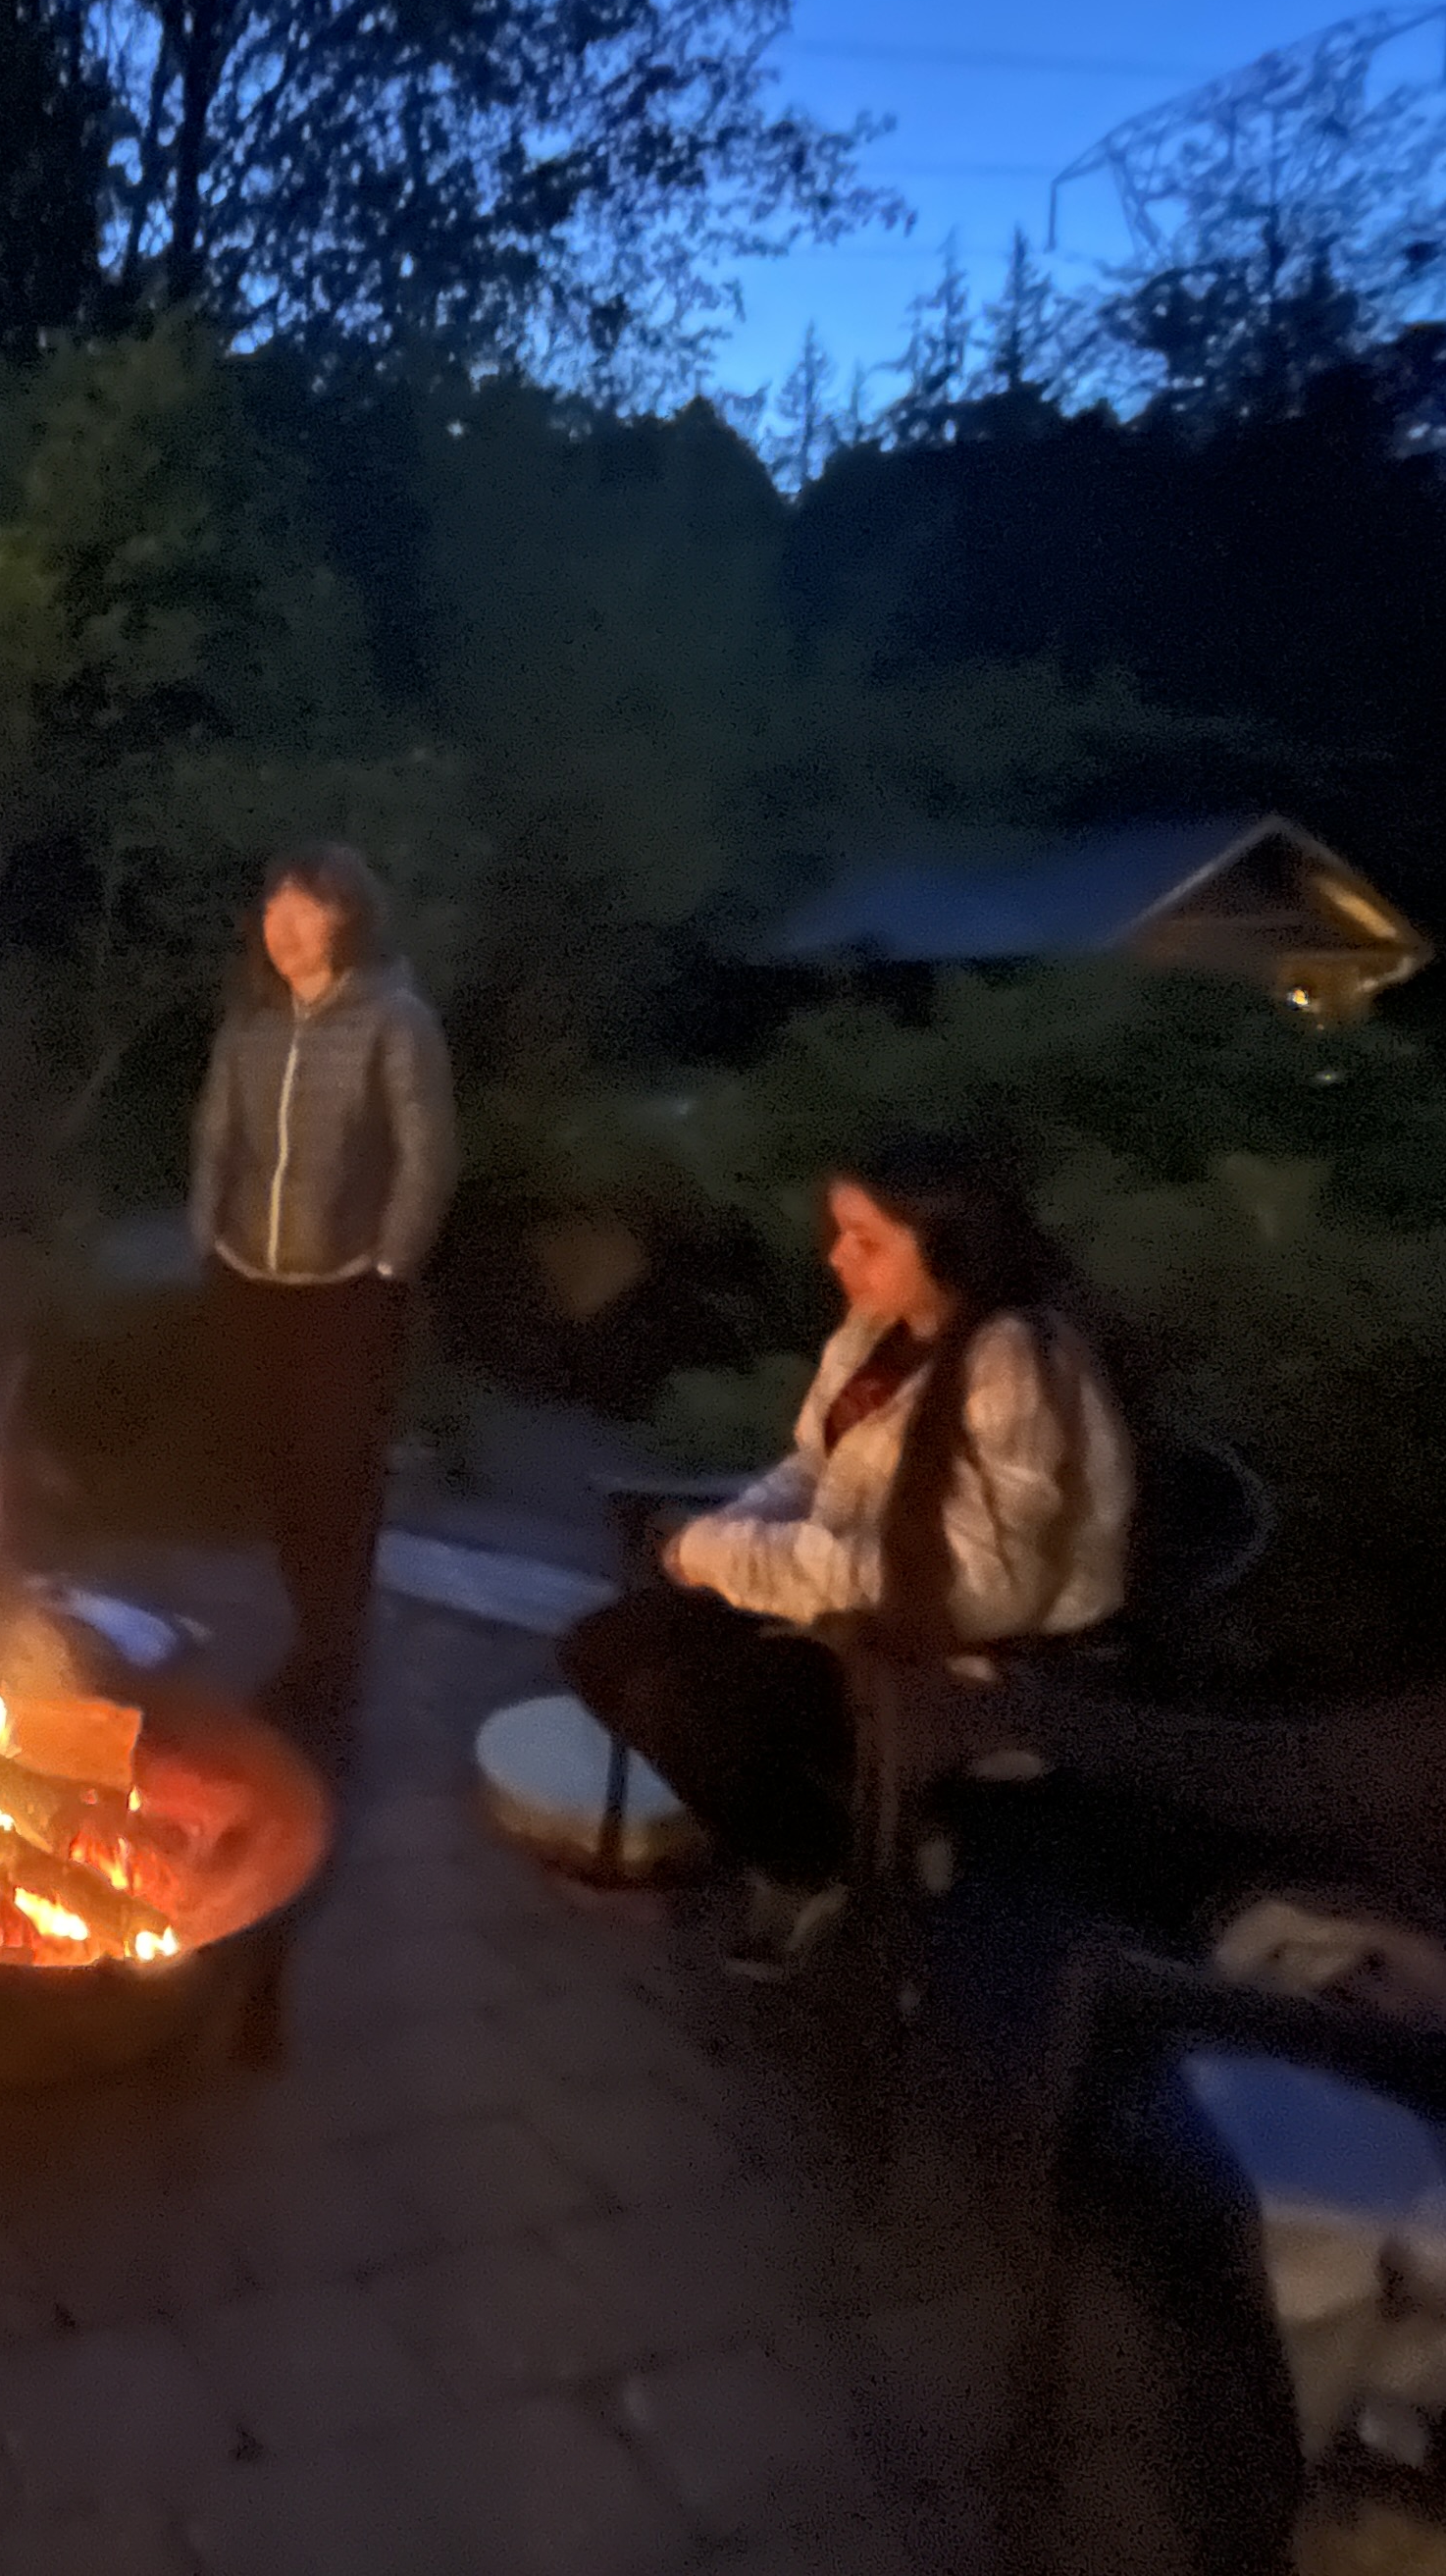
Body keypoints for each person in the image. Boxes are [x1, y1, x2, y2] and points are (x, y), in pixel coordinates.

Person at [559, 1131, 1133, 1980]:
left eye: (866, 1240)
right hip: (851, 1617)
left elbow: (980, 1586)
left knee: (678, 1699)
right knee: (601, 1648)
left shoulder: (1015, 1367)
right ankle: (793, 1834)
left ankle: (814, 1868)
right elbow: (814, 1468)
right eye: (839, 1232)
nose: (836, 1258)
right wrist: (722, 1536)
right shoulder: (880, 1331)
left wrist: (731, 1555)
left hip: (954, 1672)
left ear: (948, 1245)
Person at [189, 842, 456, 1767]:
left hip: (348, 1289)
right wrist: (207, 1238)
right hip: (252, 1280)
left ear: (350, 920)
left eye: (308, 908)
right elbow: (216, 1136)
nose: (285, 924)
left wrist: (390, 1266)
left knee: (340, 1476)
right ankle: (317, 1638)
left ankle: (331, 1663)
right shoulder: (252, 1026)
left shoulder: (394, 1021)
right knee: (277, 1468)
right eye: (275, 907)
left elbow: (427, 1155)